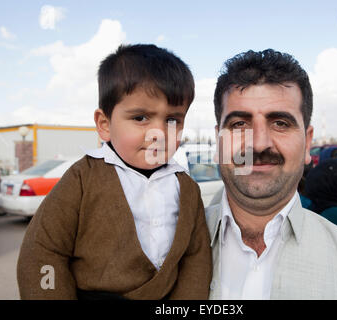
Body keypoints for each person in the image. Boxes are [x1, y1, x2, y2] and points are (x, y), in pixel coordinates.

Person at [206, 49, 337, 299]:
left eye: (280, 123)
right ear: (218, 140)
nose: (258, 144)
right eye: (239, 124)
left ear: (308, 142)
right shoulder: (162, 250)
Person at [17, 44, 212, 299]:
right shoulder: (81, 179)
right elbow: (42, 252)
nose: (160, 134)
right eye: (141, 118)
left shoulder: (187, 189)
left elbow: (195, 259)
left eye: (173, 120)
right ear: (105, 124)